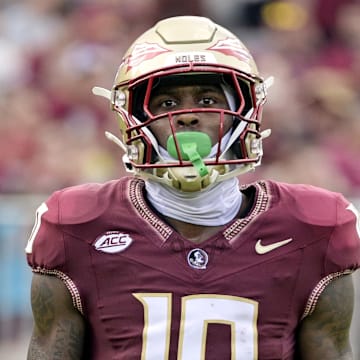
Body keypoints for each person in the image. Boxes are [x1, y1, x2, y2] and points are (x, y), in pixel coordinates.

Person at [25, 15, 360, 360]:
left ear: (241, 113)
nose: (187, 116)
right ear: (134, 119)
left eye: (207, 99)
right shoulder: (78, 227)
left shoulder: (311, 230)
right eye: (167, 103)